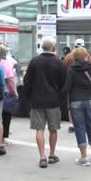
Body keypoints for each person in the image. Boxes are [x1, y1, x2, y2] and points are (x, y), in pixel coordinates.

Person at [24, 37, 66, 168]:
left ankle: (42, 157)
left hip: (37, 101)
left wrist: (30, 96)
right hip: (53, 101)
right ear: (53, 47)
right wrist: (60, 97)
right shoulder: (59, 63)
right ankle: (52, 154)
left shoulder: (34, 62)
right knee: (53, 129)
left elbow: (27, 81)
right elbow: (64, 83)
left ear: (42, 47)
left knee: (39, 129)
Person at [63, 47, 91, 166]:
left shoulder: (71, 70)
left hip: (75, 101)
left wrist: (59, 98)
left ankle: (84, 157)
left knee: (79, 128)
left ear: (74, 57)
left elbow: (67, 88)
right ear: (86, 56)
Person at [64, 39, 91, 133]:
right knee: (85, 106)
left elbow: (64, 70)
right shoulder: (89, 57)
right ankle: (83, 124)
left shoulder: (68, 57)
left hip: (71, 85)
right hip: (86, 87)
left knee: (71, 106)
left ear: (74, 45)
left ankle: (72, 124)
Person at [0, 45, 18, 146]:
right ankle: (2, 139)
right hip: (5, 93)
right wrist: (15, 92)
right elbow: (10, 80)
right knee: (5, 116)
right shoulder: (6, 63)